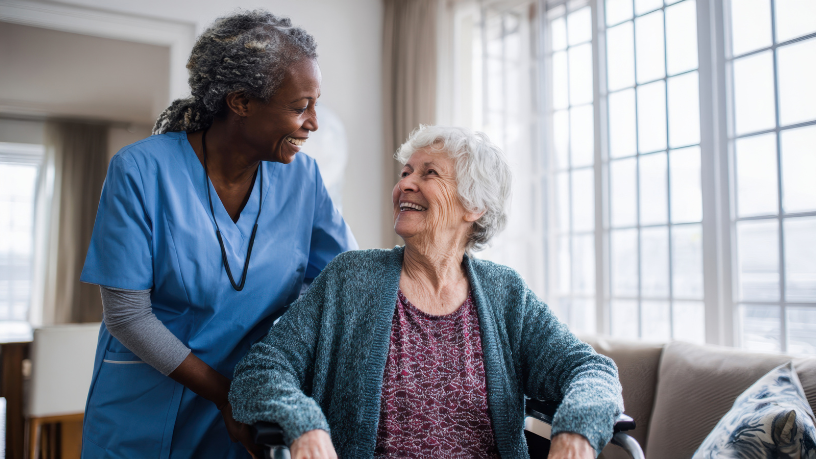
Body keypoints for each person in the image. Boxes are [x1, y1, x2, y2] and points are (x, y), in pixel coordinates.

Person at [229, 125, 623, 459]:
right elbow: (260, 370)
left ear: (474, 206)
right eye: (405, 171)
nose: (405, 184)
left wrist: (577, 429)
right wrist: (305, 425)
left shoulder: (506, 294)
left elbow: (590, 370)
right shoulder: (350, 279)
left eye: (429, 173)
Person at [79, 10, 356, 458]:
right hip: (142, 407)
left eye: (316, 104)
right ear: (241, 102)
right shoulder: (140, 170)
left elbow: (344, 283)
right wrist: (224, 394)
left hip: (242, 410)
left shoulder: (303, 180)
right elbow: (127, 315)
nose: (313, 123)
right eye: (299, 106)